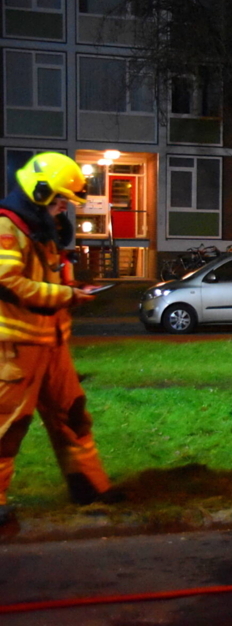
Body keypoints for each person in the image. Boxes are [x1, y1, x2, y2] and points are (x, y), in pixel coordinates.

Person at [0, 152, 121, 528]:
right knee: (7, 426)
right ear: (39, 191)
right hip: (18, 346)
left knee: (72, 416)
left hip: (50, 344)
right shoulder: (8, 228)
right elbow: (8, 282)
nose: (65, 208)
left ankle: (89, 486)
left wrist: (72, 287)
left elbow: (48, 278)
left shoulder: (37, 228)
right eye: (61, 200)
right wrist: (67, 296)